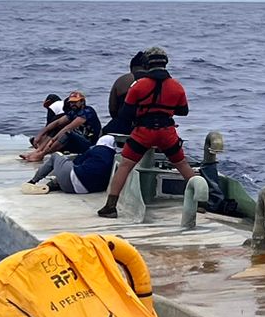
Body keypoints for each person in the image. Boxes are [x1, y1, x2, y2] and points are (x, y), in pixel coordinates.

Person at [97, 47, 199, 218]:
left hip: (143, 132)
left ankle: (110, 206)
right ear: (165, 64)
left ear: (147, 64)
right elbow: (183, 111)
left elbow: (124, 114)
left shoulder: (139, 86)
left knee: (125, 166)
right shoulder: (177, 86)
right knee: (182, 164)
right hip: (167, 132)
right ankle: (202, 201)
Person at [23, 134, 119, 195]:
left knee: (56, 156)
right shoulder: (114, 156)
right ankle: (54, 184)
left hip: (73, 183)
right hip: (88, 190)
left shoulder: (94, 149)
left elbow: (77, 162)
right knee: (77, 171)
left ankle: (33, 181)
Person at [22, 90, 102, 161]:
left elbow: (68, 128)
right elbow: (57, 123)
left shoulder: (87, 111)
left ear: (82, 102)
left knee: (67, 132)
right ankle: (37, 151)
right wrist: (40, 134)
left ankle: (41, 154)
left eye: (75, 102)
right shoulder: (73, 112)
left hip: (89, 143)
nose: (72, 104)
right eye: (71, 102)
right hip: (77, 141)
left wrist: (52, 141)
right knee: (57, 127)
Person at [107, 51, 146, 127]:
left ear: (131, 67)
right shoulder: (156, 81)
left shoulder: (122, 80)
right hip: (149, 125)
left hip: (124, 124)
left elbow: (112, 108)